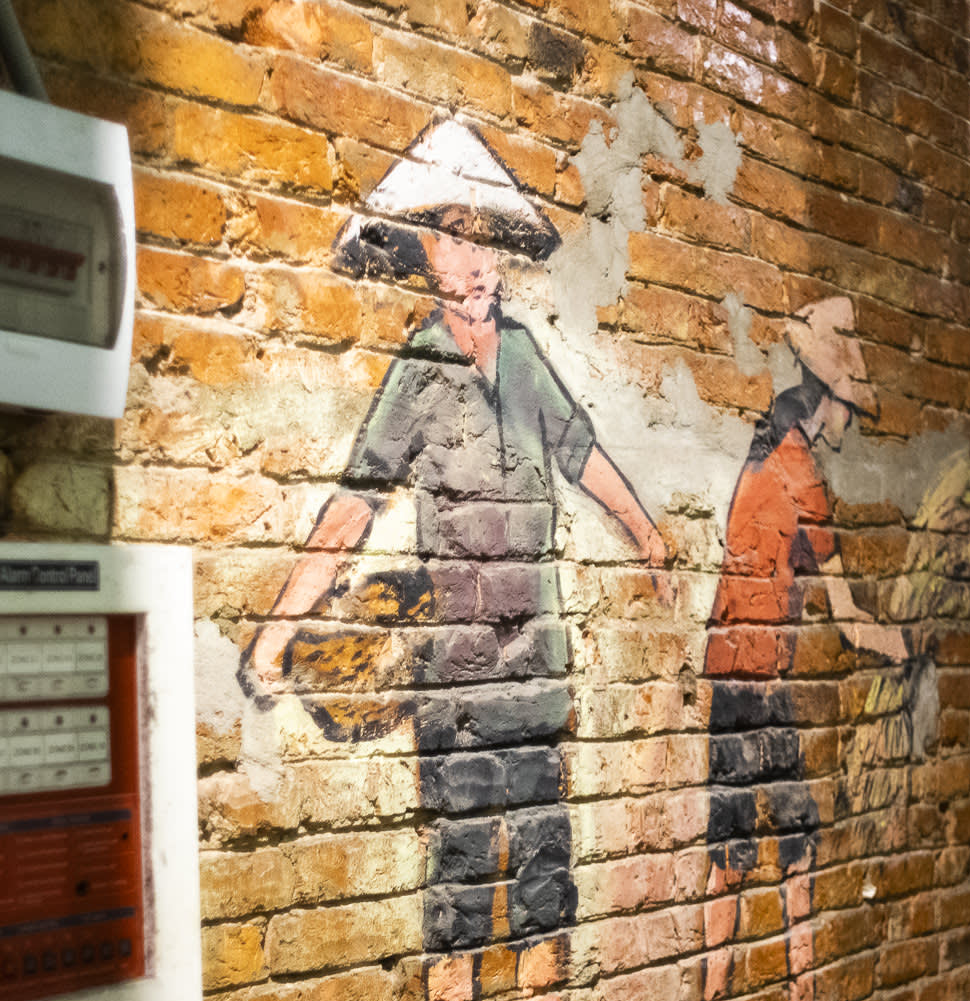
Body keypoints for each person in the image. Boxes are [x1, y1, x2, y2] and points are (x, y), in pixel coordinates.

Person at [243, 119, 665, 954]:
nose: (469, 259)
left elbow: (579, 451)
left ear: (499, 256)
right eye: (448, 238)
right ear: (424, 258)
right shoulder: (420, 367)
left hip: (538, 676)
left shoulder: (524, 356)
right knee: (459, 912)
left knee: (545, 908)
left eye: (480, 239)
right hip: (457, 682)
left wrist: (648, 536)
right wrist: (278, 632)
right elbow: (354, 506)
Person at [700, 296, 905, 1001]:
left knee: (751, 848)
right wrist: (902, 642)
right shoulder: (798, 473)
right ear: (828, 403)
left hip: (736, 674)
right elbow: (849, 620)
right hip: (753, 683)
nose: (853, 422)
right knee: (778, 847)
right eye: (850, 407)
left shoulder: (768, 450)